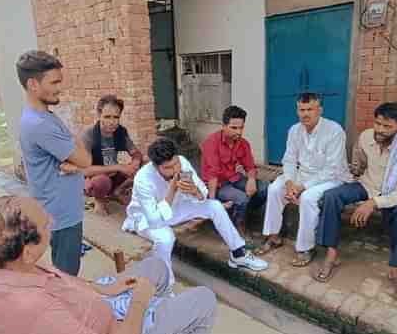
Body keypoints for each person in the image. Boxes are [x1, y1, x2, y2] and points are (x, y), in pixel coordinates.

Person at [0, 196, 220, 334]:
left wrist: (104, 288)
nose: (52, 223)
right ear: (27, 252)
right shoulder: (38, 312)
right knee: (204, 300)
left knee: (157, 268)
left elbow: (55, 279)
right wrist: (139, 302)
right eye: (47, 224)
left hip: (92, 310)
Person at [314, 102, 397, 304]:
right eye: (377, 123)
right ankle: (332, 254)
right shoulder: (367, 136)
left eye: (387, 127)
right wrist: (354, 174)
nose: (380, 130)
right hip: (368, 185)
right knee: (332, 196)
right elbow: (359, 163)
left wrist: (373, 203)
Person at [123, 137, 268, 287]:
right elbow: (154, 220)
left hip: (177, 209)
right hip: (146, 219)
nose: (175, 170)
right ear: (155, 166)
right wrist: (172, 190)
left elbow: (203, 195)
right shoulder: (143, 178)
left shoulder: (183, 163)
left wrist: (194, 191)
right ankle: (164, 285)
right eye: (168, 168)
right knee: (166, 237)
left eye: (175, 164)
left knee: (214, 206)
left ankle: (238, 254)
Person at [17, 50, 91, 276]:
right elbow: (85, 159)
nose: (60, 88)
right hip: (62, 214)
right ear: (33, 84)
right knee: (66, 277)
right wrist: (76, 153)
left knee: (65, 271)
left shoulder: (44, 115)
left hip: (60, 208)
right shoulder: (40, 124)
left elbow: (76, 160)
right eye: (54, 82)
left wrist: (74, 160)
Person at [259, 93, 350, 268]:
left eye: (310, 109)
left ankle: (306, 248)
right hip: (303, 175)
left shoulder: (334, 130)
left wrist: (301, 187)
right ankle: (273, 236)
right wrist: (289, 182)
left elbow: (332, 169)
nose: (305, 114)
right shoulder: (295, 130)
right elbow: (289, 160)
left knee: (308, 198)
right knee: (274, 189)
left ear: (320, 110)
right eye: (302, 109)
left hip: (332, 177)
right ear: (297, 110)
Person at [200, 105, 268, 235]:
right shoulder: (211, 143)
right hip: (217, 184)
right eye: (234, 128)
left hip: (234, 178)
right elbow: (213, 175)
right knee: (242, 198)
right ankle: (238, 228)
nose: (239, 132)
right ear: (224, 126)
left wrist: (252, 179)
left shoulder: (243, 143)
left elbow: (250, 166)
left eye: (241, 127)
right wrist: (212, 204)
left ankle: (244, 212)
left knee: (265, 188)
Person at [81, 94, 144, 215]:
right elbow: (85, 170)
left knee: (146, 163)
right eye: (107, 117)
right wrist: (119, 167)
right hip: (94, 178)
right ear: (99, 115)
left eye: (116, 117)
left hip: (115, 176)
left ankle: (118, 191)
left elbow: (136, 153)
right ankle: (99, 201)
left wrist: (135, 162)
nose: (112, 122)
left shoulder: (120, 131)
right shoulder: (89, 134)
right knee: (101, 181)